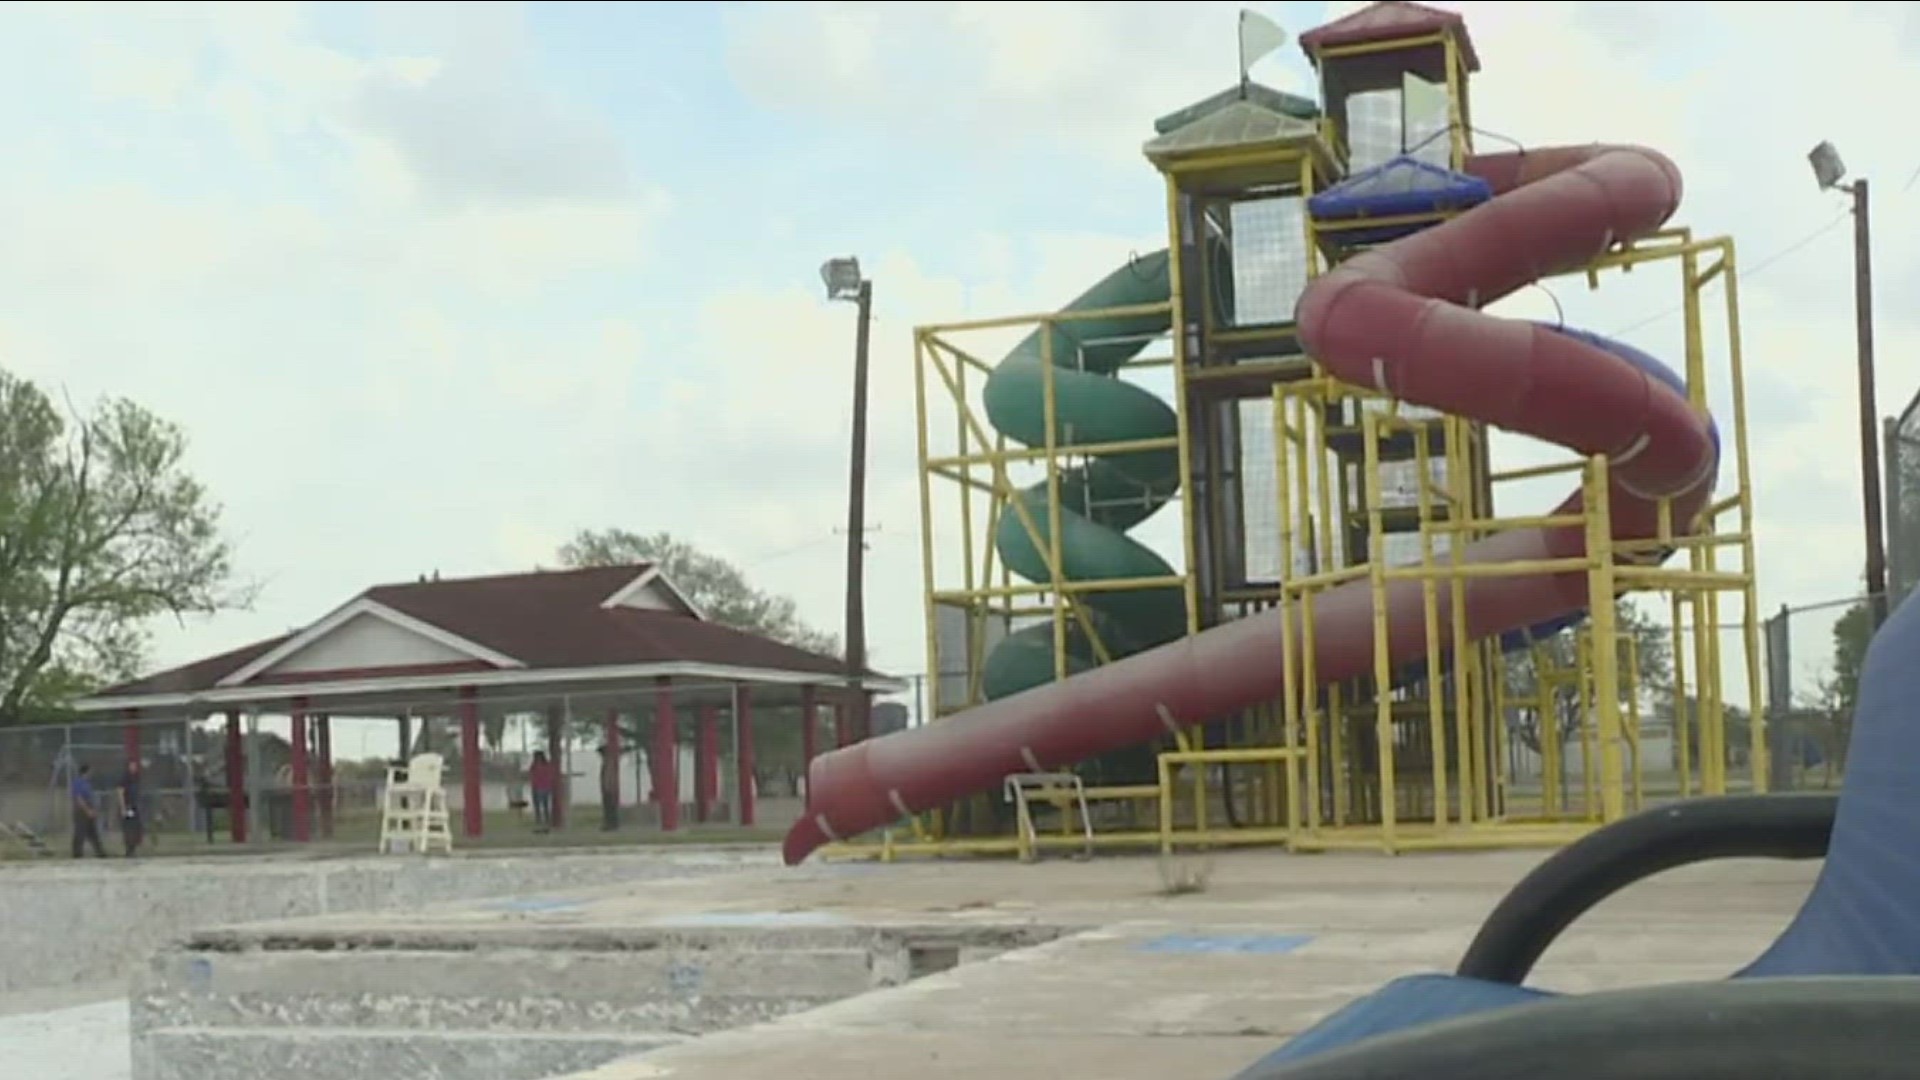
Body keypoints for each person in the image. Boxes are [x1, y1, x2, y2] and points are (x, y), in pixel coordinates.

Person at [70, 763, 105, 858]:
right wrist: (87, 810)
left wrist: (93, 810)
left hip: (89, 809)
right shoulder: (78, 782)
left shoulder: (87, 784)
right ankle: (77, 854)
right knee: (80, 833)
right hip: (81, 811)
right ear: (85, 772)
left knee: (93, 833)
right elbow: (79, 799)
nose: (91, 774)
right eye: (90, 772)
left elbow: (90, 798)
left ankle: (100, 852)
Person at [118, 757, 145, 857]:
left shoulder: (136, 777)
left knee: (136, 827)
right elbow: (120, 792)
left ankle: (133, 848)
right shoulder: (125, 778)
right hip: (128, 806)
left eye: (135, 766)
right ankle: (129, 850)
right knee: (129, 827)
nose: (134, 767)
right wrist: (123, 807)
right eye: (132, 765)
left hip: (134, 806)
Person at [528, 750, 556, 833]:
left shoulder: (539, 766)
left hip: (541, 788)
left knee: (542, 806)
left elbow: (533, 776)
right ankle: (542, 821)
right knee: (542, 805)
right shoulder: (541, 765)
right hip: (540, 788)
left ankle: (543, 821)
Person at [598, 743, 620, 831]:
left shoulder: (608, 762)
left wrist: (608, 786)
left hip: (608, 788)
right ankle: (611, 824)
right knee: (609, 807)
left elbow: (609, 776)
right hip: (608, 787)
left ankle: (611, 824)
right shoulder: (608, 761)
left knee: (610, 807)